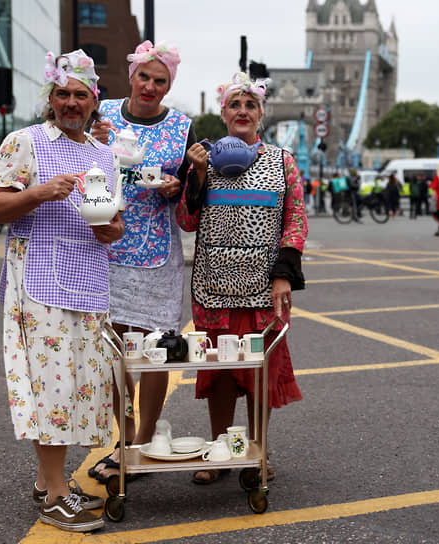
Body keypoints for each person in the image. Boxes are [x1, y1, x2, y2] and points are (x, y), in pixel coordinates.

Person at [0, 49, 124, 532]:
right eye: (62, 93)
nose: (70, 102)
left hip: (88, 278)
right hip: (39, 280)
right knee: (53, 388)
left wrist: (111, 231)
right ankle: (55, 494)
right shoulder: (24, 143)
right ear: (51, 97)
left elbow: (114, 221)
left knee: (83, 386)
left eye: (79, 95)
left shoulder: (103, 154)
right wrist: (38, 193)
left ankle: (50, 482)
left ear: (93, 101)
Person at [178, 72, 307, 484]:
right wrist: (196, 176)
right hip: (213, 287)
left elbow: (296, 220)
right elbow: (186, 220)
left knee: (257, 371)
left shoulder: (281, 160)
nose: (242, 111)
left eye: (250, 105)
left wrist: (284, 275)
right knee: (218, 374)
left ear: (261, 114)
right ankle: (220, 451)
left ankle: (256, 452)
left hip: (263, 286)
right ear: (223, 113)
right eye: (235, 104)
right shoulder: (203, 158)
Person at [87, 40, 195, 483]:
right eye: (144, 77)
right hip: (107, 249)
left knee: (158, 350)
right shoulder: (103, 116)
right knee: (115, 351)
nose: (150, 86)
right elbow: (79, 164)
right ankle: (125, 434)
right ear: (131, 77)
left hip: (158, 251)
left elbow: (193, 192)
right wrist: (92, 147)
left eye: (160, 81)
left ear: (169, 87)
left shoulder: (183, 127)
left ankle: (145, 440)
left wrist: (177, 186)